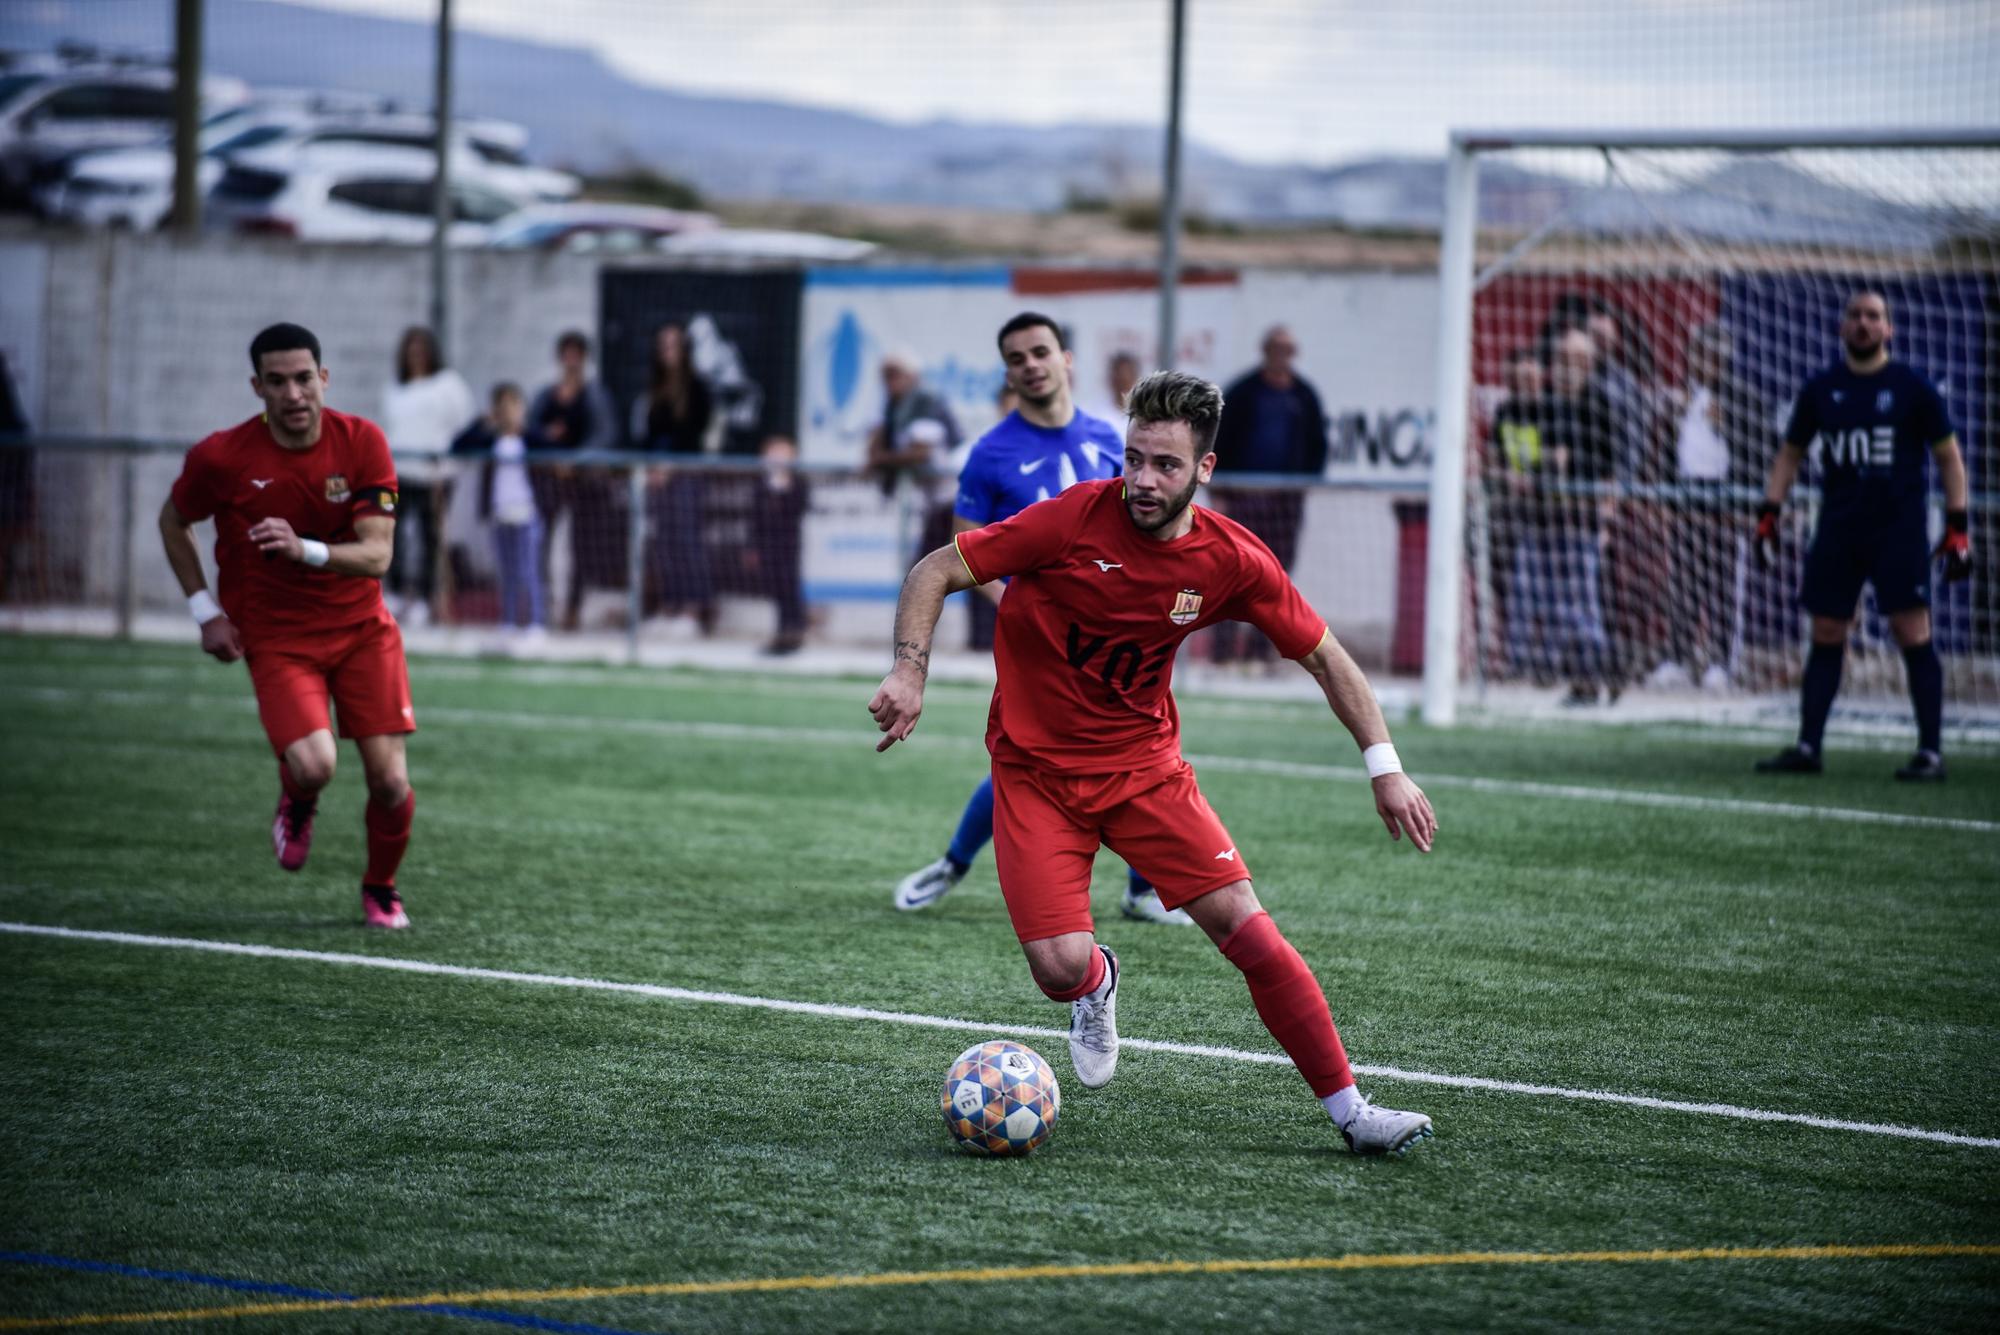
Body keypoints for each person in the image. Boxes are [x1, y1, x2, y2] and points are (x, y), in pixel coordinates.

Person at [868, 369, 1438, 1156]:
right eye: (1132, 458)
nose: (1140, 479)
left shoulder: (1231, 559)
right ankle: (1095, 981)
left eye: (1164, 464)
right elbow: (935, 569)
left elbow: (1326, 656)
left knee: (1251, 933)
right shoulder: (1070, 520)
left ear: (1203, 469)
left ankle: (1352, 1111)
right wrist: (910, 670)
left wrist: (1385, 766)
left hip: (1146, 773)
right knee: (1056, 967)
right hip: (1035, 775)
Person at [892, 312, 1186, 928]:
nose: (1030, 364)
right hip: (1038, 647)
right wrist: (1023, 613)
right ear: (1008, 372)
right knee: (1027, 764)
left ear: (1066, 360)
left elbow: (1144, 533)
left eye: (1040, 351)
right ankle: (953, 864)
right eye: (1017, 357)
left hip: (1117, 640)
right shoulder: (990, 454)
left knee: (1139, 754)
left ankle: (1143, 890)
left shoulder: (1113, 443)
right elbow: (963, 552)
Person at [158, 323, 417, 929]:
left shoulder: (362, 443)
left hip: (361, 632)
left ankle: (381, 887)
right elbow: (174, 522)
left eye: (304, 378)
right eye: (277, 382)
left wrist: (306, 549)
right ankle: (298, 799)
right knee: (315, 765)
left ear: (323, 378)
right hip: (278, 640)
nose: (293, 393)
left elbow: (377, 556)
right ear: (257, 387)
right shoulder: (221, 457)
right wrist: (205, 612)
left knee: (389, 782)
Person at [1754, 290, 1970, 781]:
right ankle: (1808, 747)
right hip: (1838, 527)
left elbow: (1949, 457)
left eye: (1874, 317)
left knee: (1911, 631)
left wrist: (1959, 526)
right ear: (1840, 327)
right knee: (1827, 631)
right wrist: (1769, 512)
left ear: (1889, 329)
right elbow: (1790, 454)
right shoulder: (1821, 390)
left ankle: (1930, 753)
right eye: (1855, 316)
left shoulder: (1913, 388)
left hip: (1898, 530)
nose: (1864, 324)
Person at [1209, 326, 1328, 664]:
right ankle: (1223, 653)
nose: (1281, 355)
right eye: (1276, 348)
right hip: (1244, 498)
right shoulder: (1244, 392)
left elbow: (1318, 445)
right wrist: (1221, 489)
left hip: (1285, 502)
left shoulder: (1304, 396)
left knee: (1275, 577)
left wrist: (1304, 485)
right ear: (1264, 350)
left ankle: (1260, 654)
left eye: (1288, 349)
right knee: (1232, 573)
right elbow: (1220, 439)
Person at [1659, 324, 1767, 689]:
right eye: (1700, 354)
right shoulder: (1682, 398)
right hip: (1687, 497)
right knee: (1684, 583)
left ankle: (1722, 662)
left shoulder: (1740, 397)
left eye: (1714, 356)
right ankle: (1678, 656)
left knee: (1722, 584)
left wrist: (1744, 501)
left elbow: (1757, 449)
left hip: (1724, 497)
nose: (1706, 362)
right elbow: (1668, 450)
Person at [1535, 328, 1620, 704]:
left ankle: (1603, 673)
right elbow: (1542, 458)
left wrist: (1606, 518)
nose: (1567, 368)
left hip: (1584, 521)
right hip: (1554, 519)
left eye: (1575, 360)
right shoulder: (1550, 403)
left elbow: (1609, 469)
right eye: (1563, 359)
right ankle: (1583, 681)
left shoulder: (1598, 404)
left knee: (1585, 605)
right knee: (1562, 607)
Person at [379, 326, 474, 628]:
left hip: (433, 474)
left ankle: (423, 597)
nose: (416, 356)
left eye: (421, 350)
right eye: (411, 350)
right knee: (389, 532)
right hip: (398, 471)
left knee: (430, 536)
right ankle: (393, 593)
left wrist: (446, 459)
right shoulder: (396, 388)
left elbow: (463, 425)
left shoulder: (448, 385)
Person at [528, 330, 618, 631]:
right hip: (550, 481)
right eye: (567, 353)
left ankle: (573, 608)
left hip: (583, 484)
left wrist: (575, 461)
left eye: (576, 354)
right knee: (543, 544)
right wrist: (550, 449)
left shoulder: (594, 395)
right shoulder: (546, 396)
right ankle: (544, 604)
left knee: (580, 548)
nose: (571, 360)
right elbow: (530, 431)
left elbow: (604, 436)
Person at [451, 382, 550, 642]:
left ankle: (536, 622)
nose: (507, 412)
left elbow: (551, 446)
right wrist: (482, 422)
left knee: (529, 570)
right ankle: (508, 621)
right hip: (500, 513)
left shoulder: (530, 439)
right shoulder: (491, 439)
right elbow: (458, 445)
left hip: (528, 513)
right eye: (502, 407)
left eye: (512, 406)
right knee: (506, 573)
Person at [635, 321, 717, 630]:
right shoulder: (654, 388)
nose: (667, 351)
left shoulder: (697, 387)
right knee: (664, 542)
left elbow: (693, 433)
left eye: (673, 345)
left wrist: (671, 466)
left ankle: (693, 609)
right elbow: (650, 434)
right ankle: (669, 605)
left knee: (687, 540)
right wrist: (653, 467)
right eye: (662, 345)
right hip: (657, 477)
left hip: (686, 475)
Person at [864, 350, 960, 498]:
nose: (889, 382)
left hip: (943, 491)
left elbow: (921, 453)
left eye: (895, 375)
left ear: (912, 376)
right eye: (886, 377)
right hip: (915, 493)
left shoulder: (926, 400)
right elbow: (874, 448)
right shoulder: (892, 405)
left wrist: (882, 459)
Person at [748, 433, 810, 655]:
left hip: (788, 545)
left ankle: (794, 630)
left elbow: (799, 508)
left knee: (789, 587)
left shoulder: (797, 484)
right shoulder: (761, 485)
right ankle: (783, 632)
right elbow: (754, 519)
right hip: (767, 546)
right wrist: (752, 547)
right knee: (775, 588)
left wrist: (783, 490)